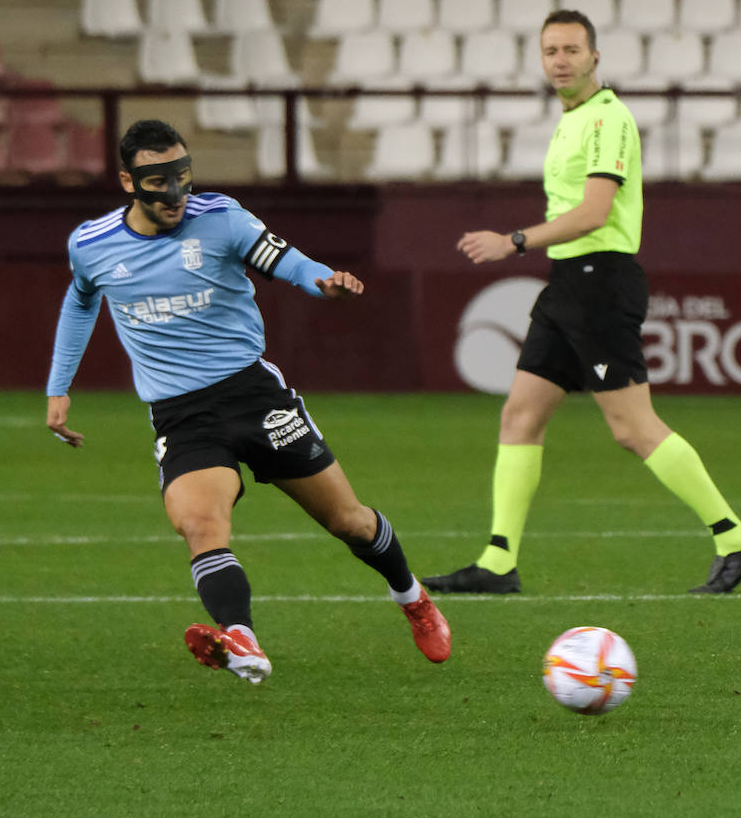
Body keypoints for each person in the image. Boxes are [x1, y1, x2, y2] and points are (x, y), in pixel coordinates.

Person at [45, 119, 450, 683]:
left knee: (348, 522)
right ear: (127, 181)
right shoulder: (92, 245)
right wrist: (59, 386)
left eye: (182, 177)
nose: (174, 194)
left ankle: (412, 598)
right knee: (199, 525)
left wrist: (322, 282)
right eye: (157, 181)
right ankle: (242, 639)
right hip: (183, 416)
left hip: (254, 397)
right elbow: (81, 301)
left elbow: (287, 261)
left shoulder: (222, 219)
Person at [422, 9, 741, 595]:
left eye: (571, 50)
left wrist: (514, 241)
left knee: (633, 428)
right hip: (568, 284)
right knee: (520, 415)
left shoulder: (609, 120)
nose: (560, 60)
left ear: (594, 57)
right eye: (550, 50)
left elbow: (594, 214)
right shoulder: (573, 119)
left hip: (600, 282)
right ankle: (498, 561)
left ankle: (735, 537)